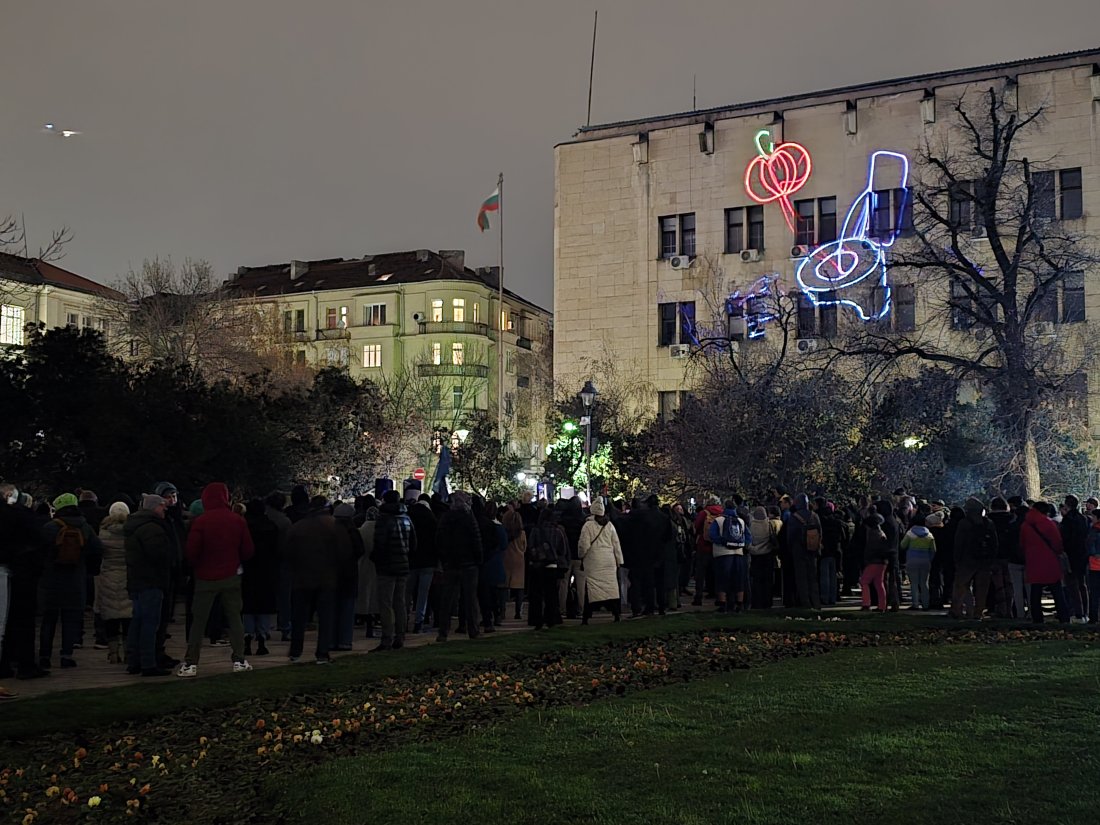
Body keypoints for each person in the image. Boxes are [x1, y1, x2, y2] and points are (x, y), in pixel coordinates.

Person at [178, 483, 255, 677]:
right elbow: (248, 550)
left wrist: (198, 566)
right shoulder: (237, 520)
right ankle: (239, 659)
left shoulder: (201, 522)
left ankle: (191, 662)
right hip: (231, 575)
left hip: (205, 576)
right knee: (234, 618)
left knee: (199, 620)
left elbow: (191, 551)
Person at [39, 493, 104, 670]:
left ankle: (44, 655)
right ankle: (66, 655)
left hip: (51, 578)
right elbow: (97, 549)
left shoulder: (50, 527)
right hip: (76, 578)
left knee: (49, 619)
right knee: (71, 619)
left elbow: (39, 550)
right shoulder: (85, 527)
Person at [284, 496, 351, 663]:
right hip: (326, 578)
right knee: (325, 617)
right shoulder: (334, 526)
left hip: (301, 578)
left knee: (299, 617)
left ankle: (295, 651)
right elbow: (345, 552)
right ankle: (322, 652)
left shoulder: (297, 527)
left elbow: (286, 552)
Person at [0, 485, 49, 680]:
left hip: (12, 568)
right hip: (23, 571)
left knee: (7, 621)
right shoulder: (21, 516)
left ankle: (6, 663)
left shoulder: (10, 516)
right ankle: (25, 664)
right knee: (23, 620)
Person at [124, 495, 176, 677]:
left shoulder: (134, 525)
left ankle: (134, 660)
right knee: (149, 622)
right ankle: (148, 663)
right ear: (155, 507)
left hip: (137, 579)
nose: (165, 509)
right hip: (151, 580)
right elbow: (161, 555)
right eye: (163, 506)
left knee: (138, 620)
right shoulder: (152, 529)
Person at [435, 492, 482, 641]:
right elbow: (476, 539)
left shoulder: (446, 518)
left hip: (451, 563)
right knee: (470, 599)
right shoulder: (469, 518)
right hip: (468, 563)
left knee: (447, 600)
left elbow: (439, 540)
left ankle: (443, 632)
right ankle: (473, 630)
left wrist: (444, 559)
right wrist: (478, 559)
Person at [372, 491, 414, 651]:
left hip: (387, 567)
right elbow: (414, 543)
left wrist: (376, 559)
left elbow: (380, 544)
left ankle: (387, 638)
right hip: (403, 564)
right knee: (400, 602)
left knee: (386, 603)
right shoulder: (406, 518)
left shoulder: (383, 520)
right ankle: (400, 636)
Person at [242, 498, 281, 657]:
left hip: (248, 570)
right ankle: (262, 636)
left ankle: (247, 635)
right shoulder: (271, 527)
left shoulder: (244, 526)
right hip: (266, 571)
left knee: (248, 606)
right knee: (263, 607)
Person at [96, 502, 133, 664]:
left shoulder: (103, 533)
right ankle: (128, 651)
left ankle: (112, 652)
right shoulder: (130, 533)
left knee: (110, 616)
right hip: (127, 576)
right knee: (127, 616)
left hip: (108, 576)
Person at [1020, 502, 1069, 624]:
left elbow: (1022, 544)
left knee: (1035, 591)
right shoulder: (1048, 524)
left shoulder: (1026, 525)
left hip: (1033, 561)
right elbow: (1057, 543)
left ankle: (1037, 618)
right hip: (1050, 561)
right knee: (1057, 591)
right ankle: (1063, 617)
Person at [951, 497, 998, 620]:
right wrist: (992, 559)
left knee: (961, 586)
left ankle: (958, 610)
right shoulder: (989, 523)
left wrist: (957, 559)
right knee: (982, 589)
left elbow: (958, 543)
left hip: (967, 560)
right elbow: (994, 543)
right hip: (985, 561)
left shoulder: (964, 523)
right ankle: (978, 612)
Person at [577, 497, 624, 622]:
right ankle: (616, 613)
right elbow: (616, 544)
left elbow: (584, 545)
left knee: (592, 588)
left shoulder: (588, 526)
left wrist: (581, 555)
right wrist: (619, 560)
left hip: (593, 560)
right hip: (609, 560)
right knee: (610, 588)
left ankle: (587, 616)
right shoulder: (609, 525)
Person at [526, 507, 568, 629]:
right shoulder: (558, 531)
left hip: (538, 566)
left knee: (537, 595)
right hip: (552, 565)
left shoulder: (535, 530)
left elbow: (530, 547)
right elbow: (563, 550)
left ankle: (537, 620)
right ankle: (551, 619)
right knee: (551, 595)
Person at [332, 503, 365, 650]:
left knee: (332, 610)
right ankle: (345, 640)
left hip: (332, 575)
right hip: (350, 574)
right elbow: (360, 550)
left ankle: (331, 640)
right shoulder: (353, 532)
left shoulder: (331, 531)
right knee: (347, 609)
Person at [406, 494, 439, 633]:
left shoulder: (409, 516)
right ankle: (419, 621)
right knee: (423, 593)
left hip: (411, 560)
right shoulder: (432, 519)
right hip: (428, 562)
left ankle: (404, 619)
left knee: (407, 592)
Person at [708, 500, 747, 613]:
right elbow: (747, 537)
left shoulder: (719, 520)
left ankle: (722, 604)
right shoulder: (741, 521)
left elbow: (712, 535)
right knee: (739, 580)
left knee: (722, 580)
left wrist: (723, 541)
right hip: (738, 553)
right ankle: (739, 604)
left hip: (722, 553)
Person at [785, 494, 822, 610]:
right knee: (813, 577)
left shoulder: (793, 517)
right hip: (812, 549)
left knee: (801, 578)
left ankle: (805, 603)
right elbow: (820, 532)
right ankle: (816, 602)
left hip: (798, 550)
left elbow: (790, 537)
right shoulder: (814, 516)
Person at [1059, 495, 1089, 624]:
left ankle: (1078, 612)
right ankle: (1085, 612)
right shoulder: (1083, 519)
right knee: (1082, 585)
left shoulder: (1067, 520)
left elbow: (1065, 539)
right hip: (1082, 555)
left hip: (1071, 555)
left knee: (1072, 586)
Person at [900, 519, 936, 609]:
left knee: (914, 583)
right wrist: (929, 559)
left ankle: (915, 604)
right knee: (924, 583)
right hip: (925, 560)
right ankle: (925, 604)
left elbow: (902, 545)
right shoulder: (929, 535)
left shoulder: (910, 533)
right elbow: (933, 550)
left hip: (912, 560)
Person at [747, 506, 778, 609]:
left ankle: (756, 602)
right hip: (767, 555)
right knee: (767, 580)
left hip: (755, 556)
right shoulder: (768, 525)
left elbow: (748, 541)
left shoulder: (751, 526)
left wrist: (751, 548)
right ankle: (767, 602)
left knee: (756, 580)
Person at [859, 511, 890, 612]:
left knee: (864, 581)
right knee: (879, 583)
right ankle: (882, 605)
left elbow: (870, 549)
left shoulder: (872, 534)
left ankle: (866, 604)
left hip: (873, 560)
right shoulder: (882, 533)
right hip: (883, 561)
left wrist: (866, 559)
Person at [502, 503, 527, 620]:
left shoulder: (505, 532)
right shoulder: (522, 533)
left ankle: (502, 611)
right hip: (519, 560)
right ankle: (518, 611)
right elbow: (524, 547)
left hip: (506, 558)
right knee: (519, 587)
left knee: (505, 586)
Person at [1086, 509, 1100, 624]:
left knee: (1094, 593)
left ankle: (1094, 617)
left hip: (1095, 566)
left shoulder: (1093, 531)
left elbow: (1090, 548)